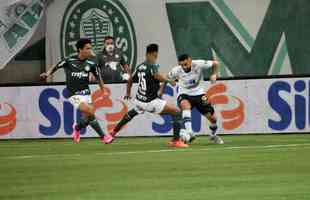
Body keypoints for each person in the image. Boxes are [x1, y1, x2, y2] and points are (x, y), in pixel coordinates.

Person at [109, 43, 188, 148]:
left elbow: (131, 79)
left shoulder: (140, 66)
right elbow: (156, 75)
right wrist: (169, 81)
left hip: (140, 100)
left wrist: (128, 93)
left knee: (131, 114)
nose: (156, 57)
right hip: (150, 102)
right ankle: (176, 140)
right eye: (156, 55)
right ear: (154, 53)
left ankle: (113, 132)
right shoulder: (152, 65)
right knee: (177, 112)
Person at [40, 38, 113, 144]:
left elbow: (98, 77)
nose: (90, 51)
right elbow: (56, 66)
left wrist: (104, 90)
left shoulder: (91, 64)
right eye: (87, 48)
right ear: (80, 49)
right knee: (90, 111)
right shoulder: (69, 60)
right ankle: (104, 137)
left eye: (90, 48)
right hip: (73, 94)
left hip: (86, 93)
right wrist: (47, 74)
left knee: (88, 117)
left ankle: (77, 128)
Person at [167, 54, 224, 144]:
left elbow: (216, 63)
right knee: (185, 105)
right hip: (184, 93)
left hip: (199, 94)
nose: (183, 67)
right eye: (181, 65)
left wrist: (214, 74)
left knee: (213, 118)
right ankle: (190, 132)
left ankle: (213, 135)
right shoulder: (176, 70)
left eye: (185, 64)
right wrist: (171, 84)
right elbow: (167, 77)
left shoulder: (199, 64)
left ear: (190, 60)